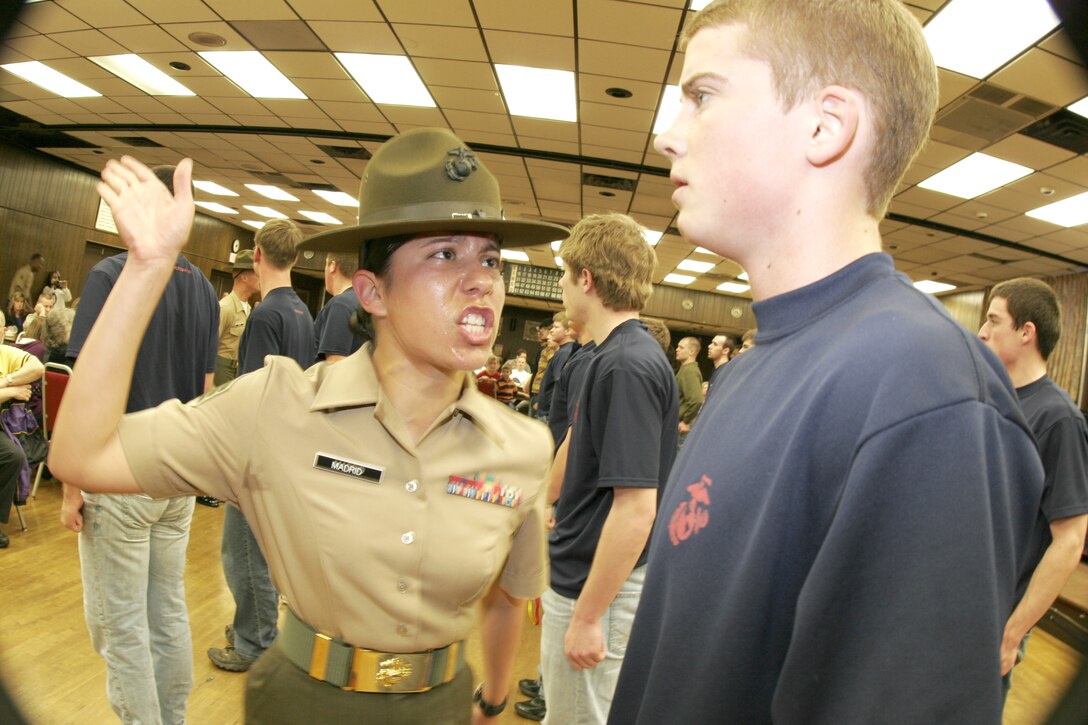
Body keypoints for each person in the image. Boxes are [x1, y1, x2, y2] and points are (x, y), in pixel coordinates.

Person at [608, 2, 1045, 723]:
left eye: (703, 97)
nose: (668, 136)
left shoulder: (922, 386)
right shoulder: (754, 365)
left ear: (824, 125)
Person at [49, 126, 568, 724]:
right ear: (372, 292)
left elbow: (508, 594)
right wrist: (147, 267)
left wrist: (494, 699)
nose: (481, 280)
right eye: (445, 254)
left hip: (442, 707)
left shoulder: (523, 446)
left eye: (491, 259)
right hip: (302, 704)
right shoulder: (277, 407)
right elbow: (81, 455)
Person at [59, 164, 218, 725]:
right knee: (166, 611)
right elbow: (205, 388)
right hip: (174, 474)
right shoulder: (202, 286)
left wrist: (72, 485)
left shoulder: (110, 275)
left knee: (120, 624)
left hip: (119, 470)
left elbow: (86, 388)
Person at [543, 212, 678, 725]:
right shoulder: (602, 357)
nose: (560, 284)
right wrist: (542, 503)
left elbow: (638, 508)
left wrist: (588, 615)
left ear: (587, 279)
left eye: (564, 273)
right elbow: (577, 441)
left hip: (597, 587)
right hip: (578, 569)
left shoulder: (627, 365)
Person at [210, 218, 316, 673]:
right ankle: (256, 626)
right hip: (290, 443)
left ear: (257, 255)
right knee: (263, 549)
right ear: (294, 258)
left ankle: (255, 642)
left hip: (262, 450)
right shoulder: (302, 313)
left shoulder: (266, 314)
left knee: (244, 550)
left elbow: (253, 394)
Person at [977, 278, 1088, 686]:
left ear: (1026, 332)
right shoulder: (990, 398)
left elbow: (1071, 539)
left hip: (995, 622)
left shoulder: (1058, 419)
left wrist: (1012, 633)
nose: (982, 331)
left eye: (993, 320)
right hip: (957, 602)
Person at [0, 345, 44, 549]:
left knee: (13, 456)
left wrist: (7, 380)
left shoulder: (5, 353)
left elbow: (37, 367)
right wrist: (11, 391)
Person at [215, 248, 259, 386]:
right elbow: (207, 348)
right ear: (244, 277)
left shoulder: (249, 308)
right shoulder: (225, 308)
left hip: (239, 371)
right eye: (257, 273)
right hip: (221, 370)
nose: (262, 277)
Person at [314, 251, 363, 363]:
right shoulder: (365, 302)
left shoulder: (340, 305)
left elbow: (334, 364)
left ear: (332, 266)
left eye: (326, 264)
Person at [535, 312, 574, 423]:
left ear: (567, 331)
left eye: (556, 327)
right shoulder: (562, 352)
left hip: (549, 415)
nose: (551, 330)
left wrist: (550, 411)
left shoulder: (564, 354)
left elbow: (559, 386)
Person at [674, 336, 702, 446]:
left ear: (691, 351)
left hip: (682, 426)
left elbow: (697, 400)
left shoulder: (689, 371)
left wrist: (685, 421)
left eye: (681, 347)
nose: (677, 349)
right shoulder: (686, 369)